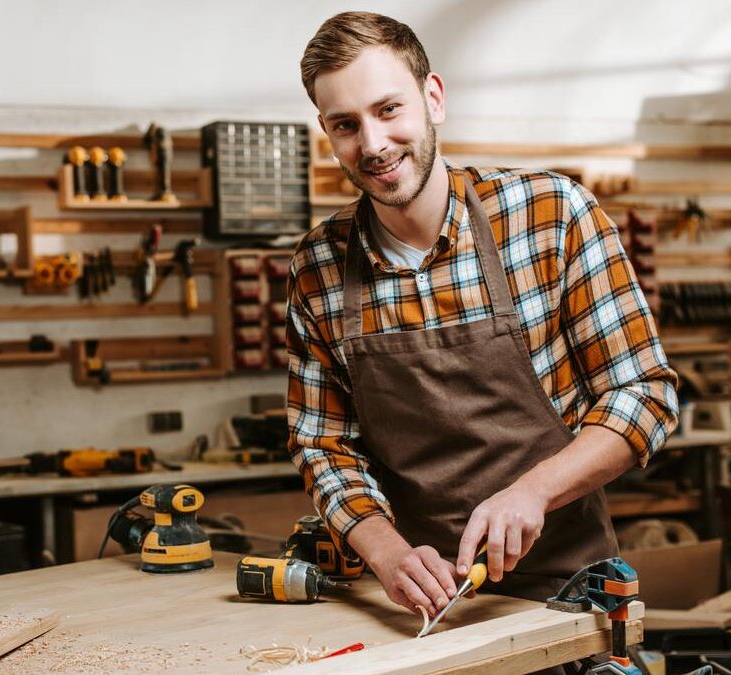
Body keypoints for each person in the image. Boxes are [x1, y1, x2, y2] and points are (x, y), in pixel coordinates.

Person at [287, 11, 679, 619]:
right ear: (327, 132)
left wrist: (533, 491)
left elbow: (645, 394)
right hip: (412, 603)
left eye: (388, 109)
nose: (372, 144)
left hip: (565, 594)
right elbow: (322, 444)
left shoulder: (552, 215)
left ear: (433, 98)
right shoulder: (319, 264)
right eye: (346, 125)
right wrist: (388, 554)